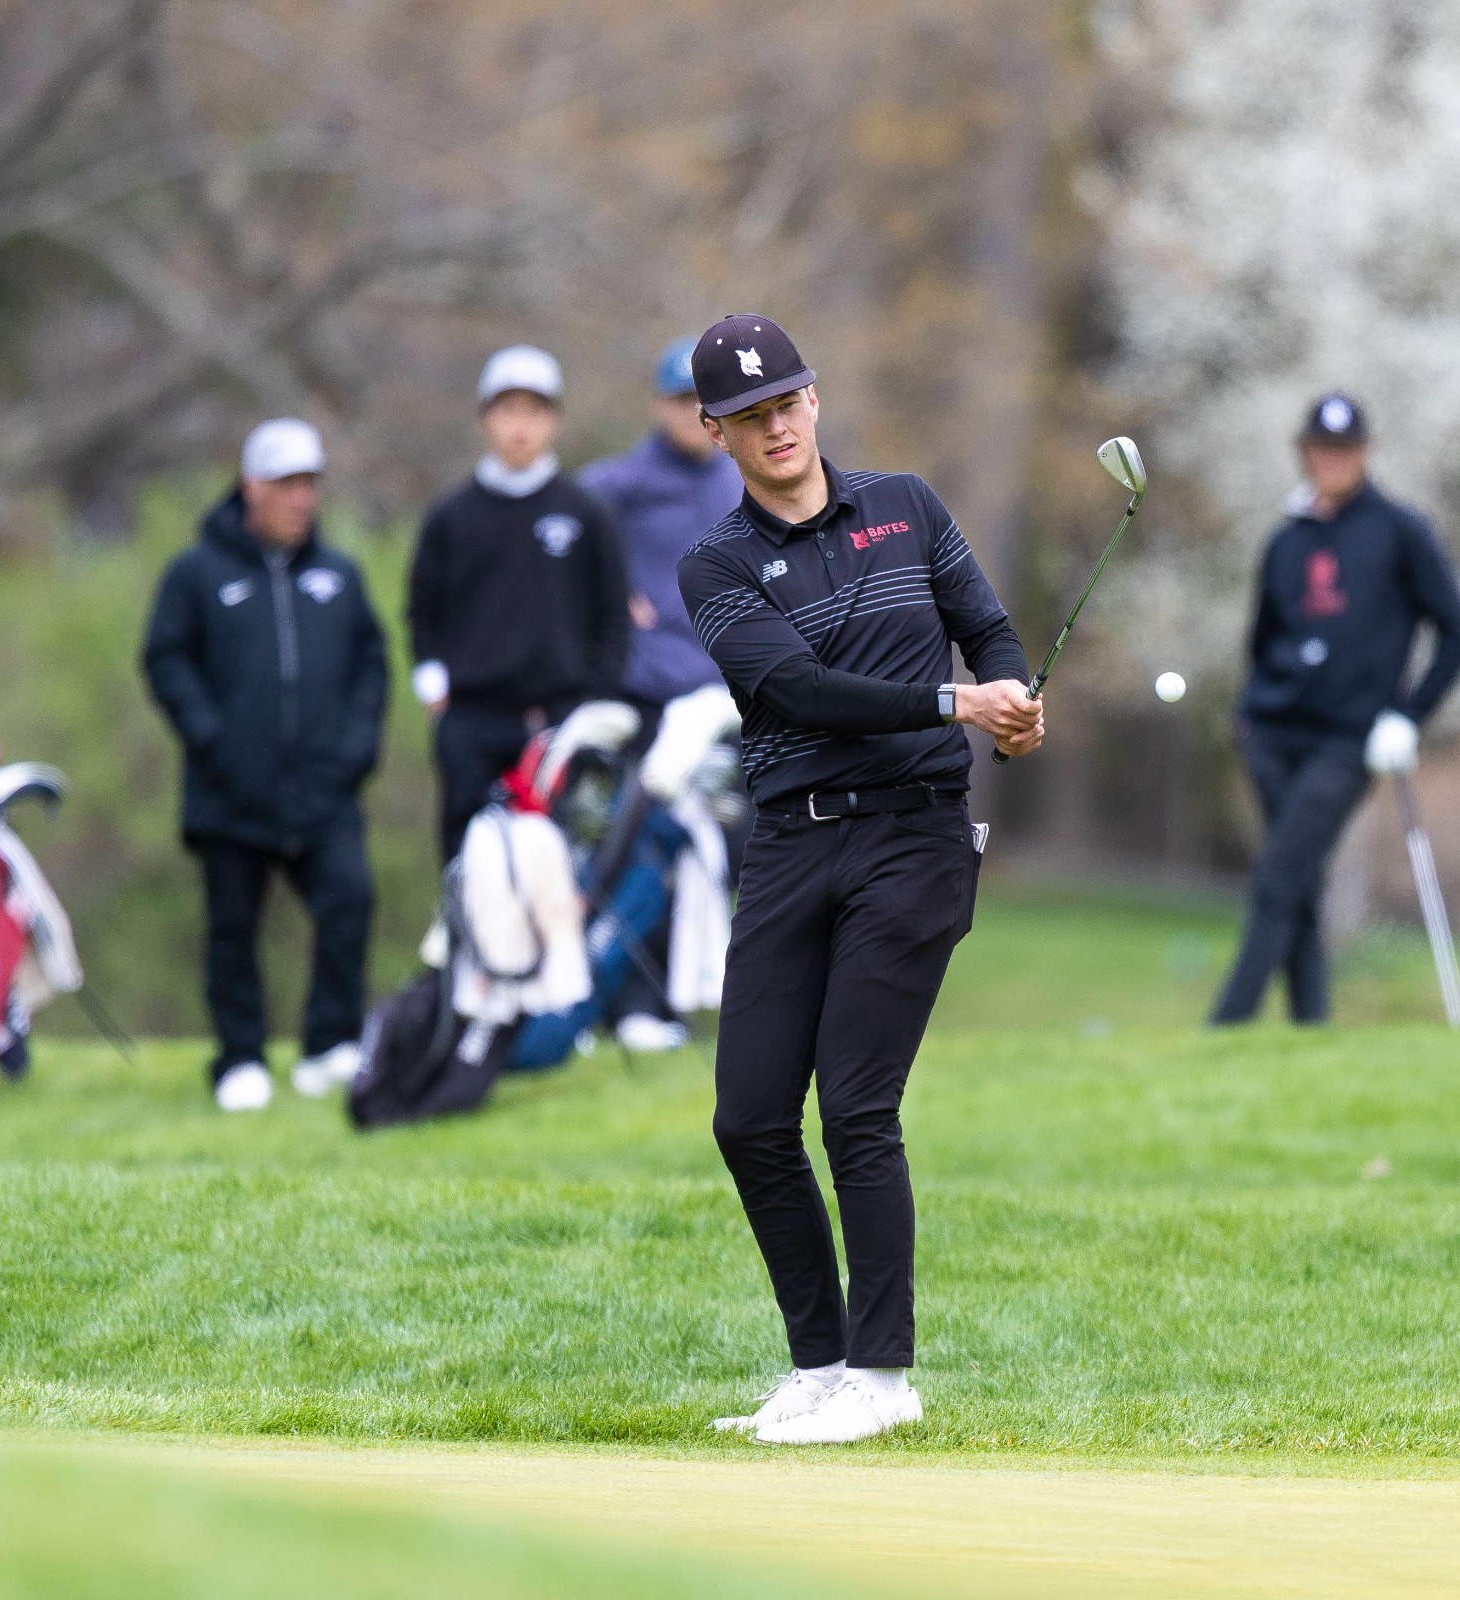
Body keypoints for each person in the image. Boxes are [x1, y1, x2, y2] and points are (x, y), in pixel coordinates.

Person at [676, 314, 1042, 1445]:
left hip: (912, 837)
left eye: (786, 401)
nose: (774, 425)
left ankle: (882, 1378)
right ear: (715, 433)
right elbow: (793, 688)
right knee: (746, 1117)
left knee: (855, 1105)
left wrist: (1015, 697)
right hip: (792, 842)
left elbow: (984, 628)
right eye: (747, 416)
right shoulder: (715, 564)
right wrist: (955, 703)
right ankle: (820, 1364)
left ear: (815, 398)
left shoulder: (908, 506)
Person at [142, 419, 390, 1111]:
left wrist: (357, 746)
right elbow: (165, 659)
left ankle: (330, 1044)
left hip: (325, 790)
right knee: (232, 928)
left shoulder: (338, 577)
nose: (301, 499)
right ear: (251, 488)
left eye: (309, 484)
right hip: (231, 792)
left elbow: (372, 663)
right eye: (286, 484)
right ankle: (240, 1058)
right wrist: (210, 737)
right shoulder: (196, 573)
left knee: (348, 900)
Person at [1210, 392, 1460, 1026]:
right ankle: (1313, 1031)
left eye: (1345, 450)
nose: (1331, 460)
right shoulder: (1286, 540)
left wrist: (1408, 716)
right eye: (1321, 449)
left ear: (1363, 455)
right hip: (1273, 733)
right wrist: (1248, 718)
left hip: (1347, 742)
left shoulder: (1400, 532)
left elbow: (1459, 633)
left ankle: (1224, 1029)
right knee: (1297, 884)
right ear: (1305, 453)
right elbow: (1262, 638)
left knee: (1278, 875)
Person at [580, 336, 745, 1053]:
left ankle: (672, 996)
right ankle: (629, 1002)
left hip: (732, 700)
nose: (693, 414)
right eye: (681, 400)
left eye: (704, 402)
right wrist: (607, 599)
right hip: (654, 702)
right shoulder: (620, 484)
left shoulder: (740, 480)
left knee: (724, 849)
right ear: (659, 405)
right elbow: (556, 530)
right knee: (649, 849)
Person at [407, 345, 631, 863]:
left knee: (562, 870)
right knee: (470, 869)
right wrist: (434, 681)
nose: (520, 426)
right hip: (472, 721)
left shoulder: (586, 513)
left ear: (553, 421)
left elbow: (613, 618)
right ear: (487, 419)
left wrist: (592, 704)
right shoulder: (451, 516)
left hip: (560, 721)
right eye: (508, 410)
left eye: (534, 411)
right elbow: (424, 611)